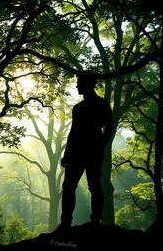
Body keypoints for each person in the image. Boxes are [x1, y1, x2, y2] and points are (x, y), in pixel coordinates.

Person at [59, 72, 114, 230]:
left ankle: (91, 222)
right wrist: (67, 153)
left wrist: (99, 146)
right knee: (73, 186)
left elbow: (109, 127)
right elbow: (73, 132)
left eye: (79, 82)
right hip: (79, 153)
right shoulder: (80, 108)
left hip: (87, 152)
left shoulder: (99, 105)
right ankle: (69, 223)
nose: (76, 85)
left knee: (91, 186)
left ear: (88, 84)